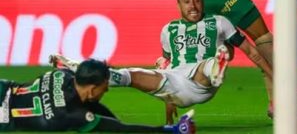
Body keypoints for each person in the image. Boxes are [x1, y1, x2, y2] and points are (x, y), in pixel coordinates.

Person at [51, 0, 273, 124]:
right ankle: (76, 67)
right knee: (129, 75)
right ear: (179, 5)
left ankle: (217, 66)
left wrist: (273, 75)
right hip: (175, 83)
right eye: (187, 2)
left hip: (201, 83)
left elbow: (251, 51)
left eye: (197, 0)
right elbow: (167, 65)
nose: (193, 6)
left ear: (202, 2)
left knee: (209, 62)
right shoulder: (168, 30)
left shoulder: (220, 22)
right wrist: (169, 105)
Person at [0, 58, 195, 133]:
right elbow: (119, 130)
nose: (107, 89)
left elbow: (93, 105)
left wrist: (113, 119)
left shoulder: (61, 75)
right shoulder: (70, 115)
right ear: (92, 88)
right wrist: (172, 130)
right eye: (104, 86)